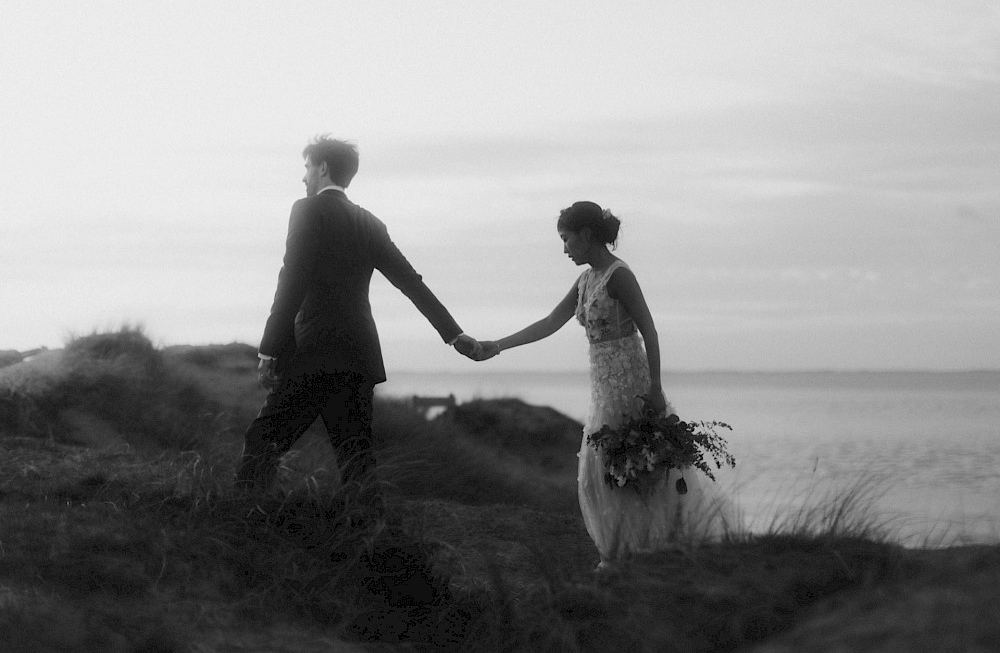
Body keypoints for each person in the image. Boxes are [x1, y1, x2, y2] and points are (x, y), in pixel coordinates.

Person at [472, 201, 728, 569]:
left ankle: (650, 552)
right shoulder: (586, 279)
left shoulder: (620, 275)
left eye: (566, 239)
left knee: (642, 473)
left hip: (633, 387)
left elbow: (650, 332)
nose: (564, 249)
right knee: (602, 477)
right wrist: (496, 346)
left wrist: (655, 389)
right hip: (604, 391)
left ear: (586, 235)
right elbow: (549, 322)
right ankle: (623, 551)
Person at [235, 135, 480, 496]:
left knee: (263, 441)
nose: (303, 178)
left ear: (321, 168)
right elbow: (410, 281)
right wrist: (453, 334)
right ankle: (367, 537)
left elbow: (292, 280)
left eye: (306, 168)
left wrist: (269, 350)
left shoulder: (307, 210)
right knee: (356, 458)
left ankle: (245, 526)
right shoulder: (370, 223)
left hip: (313, 352)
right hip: (358, 354)